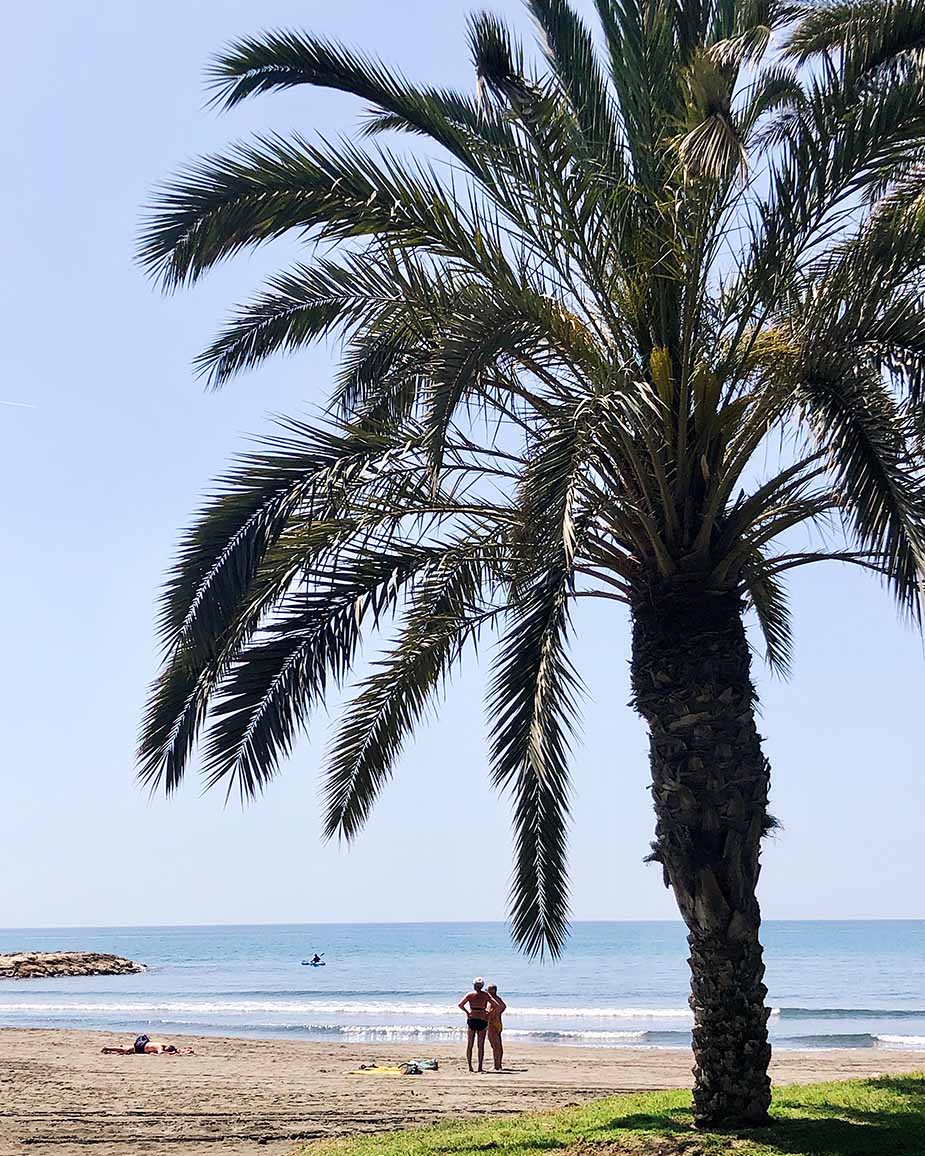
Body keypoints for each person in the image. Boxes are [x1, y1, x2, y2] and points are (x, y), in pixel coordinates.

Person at [458, 977, 498, 1073]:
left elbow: (460, 1005)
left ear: (474, 986)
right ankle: (479, 1067)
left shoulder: (470, 995)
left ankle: (470, 1067)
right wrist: (488, 1013)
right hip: (482, 1019)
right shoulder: (485, 995)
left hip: (472, 1018)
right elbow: (496, 1005)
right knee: (481, 1045)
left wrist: (467, 1012)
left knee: (470, 1044)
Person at [101, 1033, 194, 1055]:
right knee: (126, 1050)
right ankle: (108, 1048)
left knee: (127, 1049)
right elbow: (161, 1053)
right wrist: (172, 1054)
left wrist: (181, 1051)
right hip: (141, 1046)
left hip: (144, 1044)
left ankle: (111, 1049)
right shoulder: (160, 1046)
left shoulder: (161, 1044)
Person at [486, 983, 507, 1071]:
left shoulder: (493, 999)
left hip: (493, 1024)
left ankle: (496, 1066)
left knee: (495, 1045)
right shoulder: (497, 998)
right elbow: (502, 1006)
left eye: (487, 990)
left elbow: (502, 1007)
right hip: (498, 1023)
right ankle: (498, 1064)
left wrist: (491, 1014)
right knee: (497, 1045)